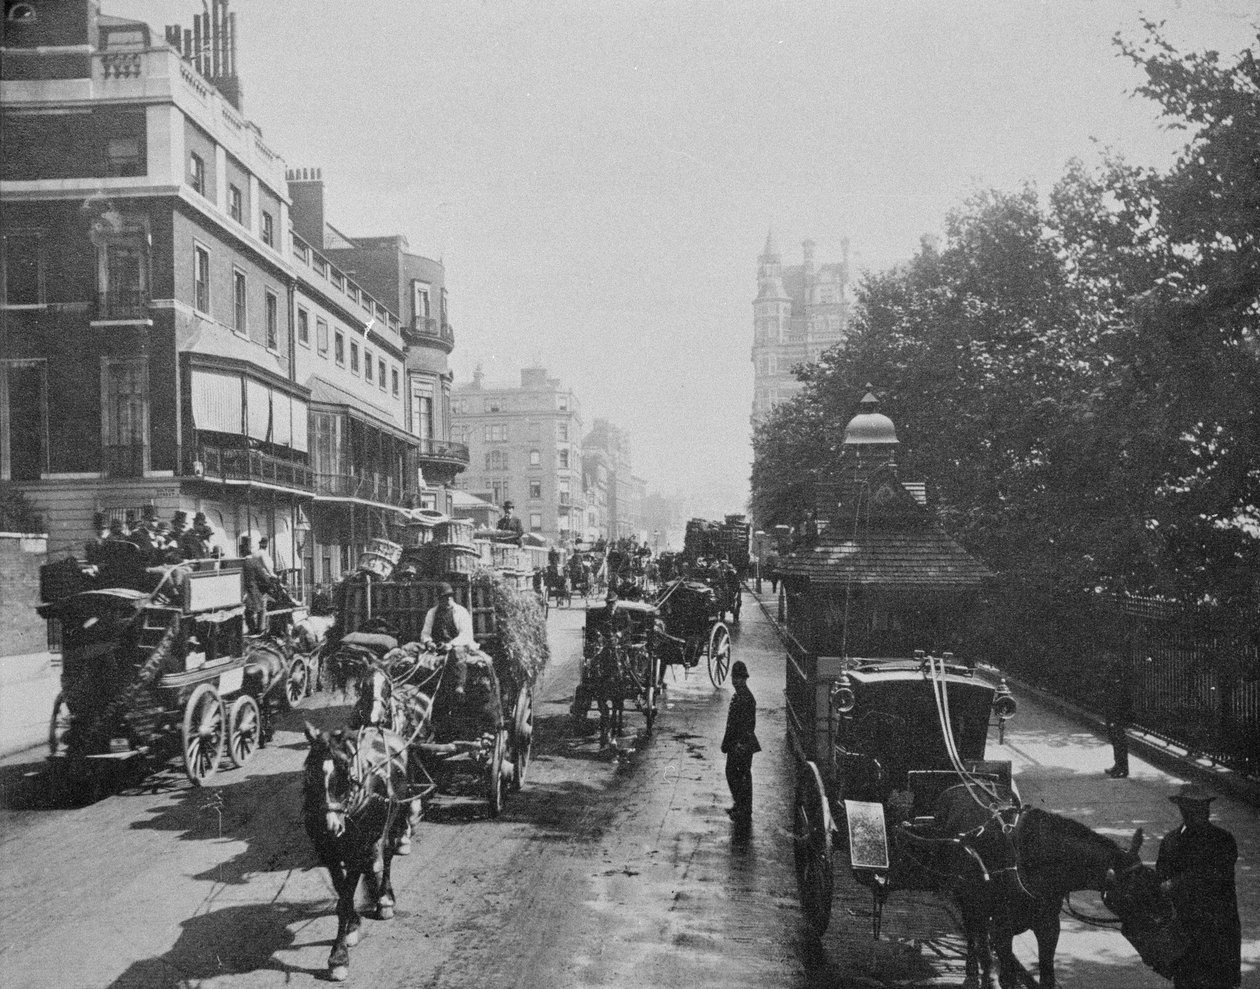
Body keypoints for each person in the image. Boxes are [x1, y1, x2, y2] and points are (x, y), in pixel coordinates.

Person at [1156, 784, 1241, 989]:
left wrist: (1176, 884)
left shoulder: (1222, 840)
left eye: (1203, 808)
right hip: (1186, 932)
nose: (1201, 813)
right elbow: (1160, 879)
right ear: (1182, 810)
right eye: (1193, 808)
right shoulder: (1171, 841)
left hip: (1217, 930)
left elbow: (1216, 874)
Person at [720, 660, 760, 828]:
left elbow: (747, 725)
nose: (735, 681)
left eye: (738, 678)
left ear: (744, 679)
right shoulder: (740, 695)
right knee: (735, 774)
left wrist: (740, 744)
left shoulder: (746, 698)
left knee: (740, 776)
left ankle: (744, 810)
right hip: (736, 743)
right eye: (734, 678)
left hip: (741, 744)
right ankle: (741, 806)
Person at [421, 583, 477, 695]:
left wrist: (451, 644)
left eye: (449, 596)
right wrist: (429, 642)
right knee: (420, 658)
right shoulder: (432, 613)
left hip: (459, 646)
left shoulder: (461, 612)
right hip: (439, 647)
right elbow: (425, 633)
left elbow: (465, 635)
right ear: (439, 599)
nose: (448, 599)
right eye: (444, 597)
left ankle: (459, 685)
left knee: (457, 653)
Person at [1104, 654, 1134, 778]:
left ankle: (1122, 768)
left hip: (1117, 716)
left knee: (1119, 740)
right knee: (1115, 740)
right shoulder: (1115, 684)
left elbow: (1120, 703)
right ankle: (1118, 765)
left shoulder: (1119, 685)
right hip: (1114, 715)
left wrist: (1115, 717)